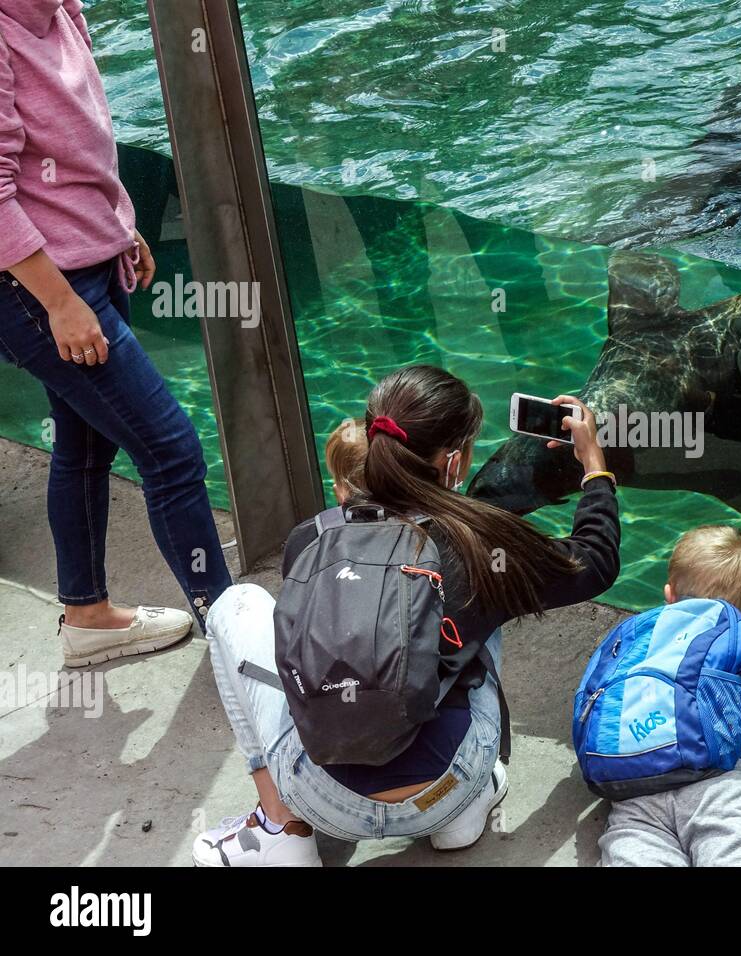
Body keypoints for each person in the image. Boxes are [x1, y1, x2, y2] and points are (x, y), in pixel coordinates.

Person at [194, 366, 619, 866]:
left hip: (319, 793)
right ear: (455, 461)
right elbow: (595, 562)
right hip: (447, 787)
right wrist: (593, 462)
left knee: (234, 604)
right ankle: (462, 817)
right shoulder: (479, 542)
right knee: (486, 603)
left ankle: (281, 827)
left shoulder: (311, 538)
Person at [0, 0, 231, 664]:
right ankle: (235, 636)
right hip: (39, 288)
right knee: (172, 451)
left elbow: (79, 139)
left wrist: (116, 223)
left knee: (85, 442)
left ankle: (88, 616)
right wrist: (61, 304)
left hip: (87, 262)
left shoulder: (58, 7)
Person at [598, 525, 741, 867]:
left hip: (641, 783)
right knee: (739, 850)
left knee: (633, 853)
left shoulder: (637, 647)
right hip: (723, 780)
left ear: (669, 594)